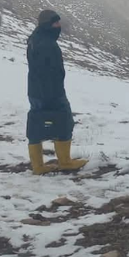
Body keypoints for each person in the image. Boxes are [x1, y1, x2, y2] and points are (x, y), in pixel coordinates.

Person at [26, 10, 88, 175]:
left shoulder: (34, 39)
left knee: (36, 124)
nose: (59, 26)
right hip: (51, 92)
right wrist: (53, 92)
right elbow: (50, 72)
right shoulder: (48, 44)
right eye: (55, 23)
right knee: (64, 122)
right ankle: (65, 162)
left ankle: (38, 166)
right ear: (48, 24)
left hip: (34, 91)